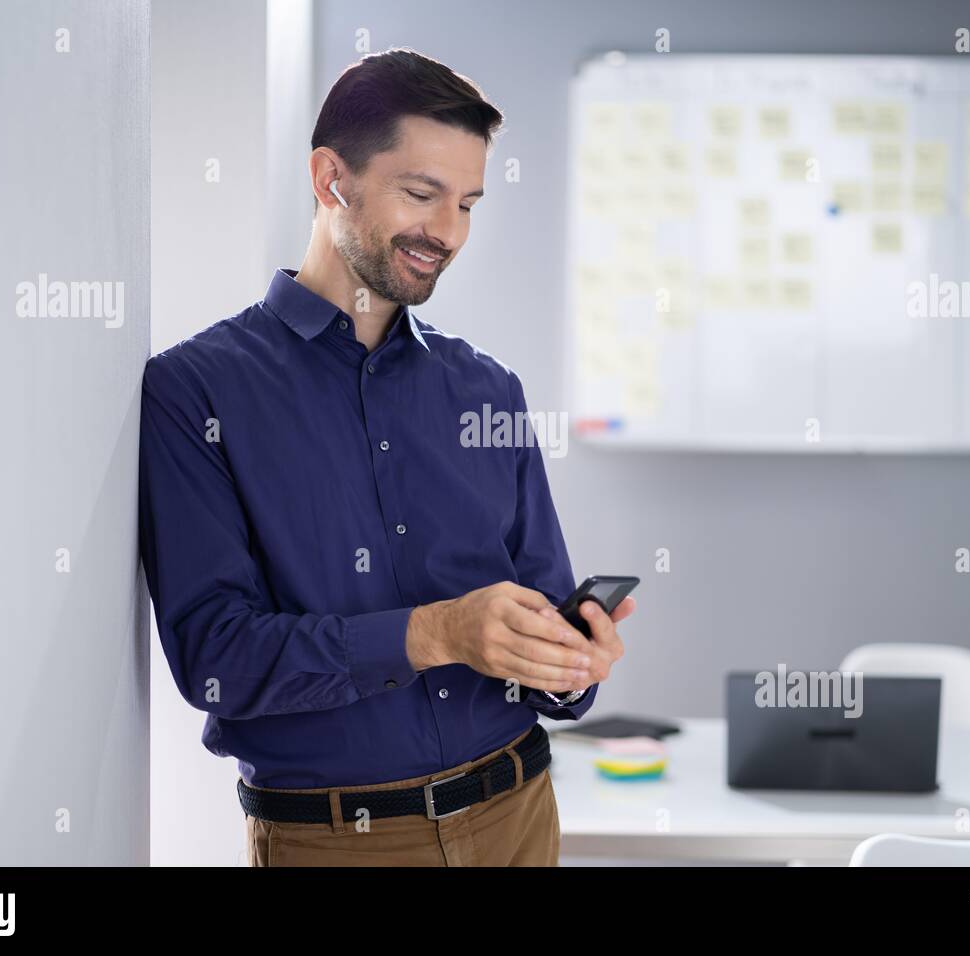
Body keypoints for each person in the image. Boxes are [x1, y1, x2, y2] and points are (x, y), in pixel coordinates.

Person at [138, 48, 634, 866]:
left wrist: (571, 662)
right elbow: (215, 659)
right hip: (336, 843)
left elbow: (539, 614)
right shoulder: (197, 392)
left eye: (468, 203)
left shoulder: (489, 391)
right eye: (421, 193)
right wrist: (435, 632)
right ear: (331, 177)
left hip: (521, 816)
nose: (447, 232)